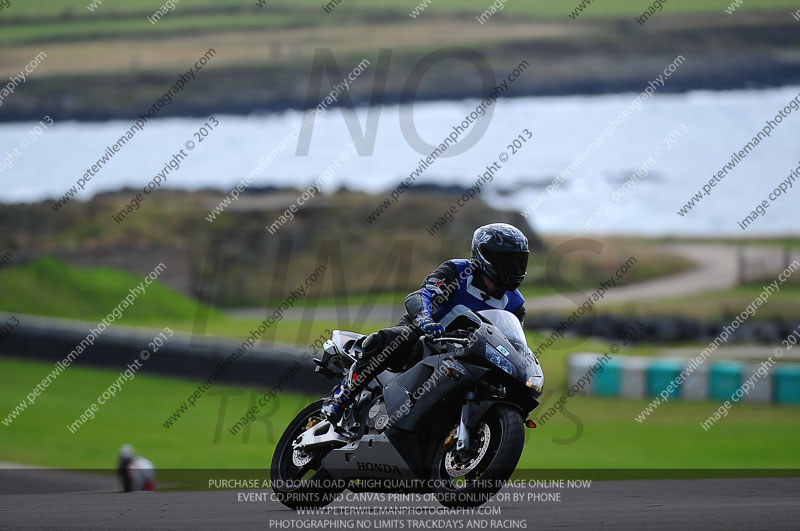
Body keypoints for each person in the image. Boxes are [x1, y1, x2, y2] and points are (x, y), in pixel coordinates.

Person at [321, 222, 530, 422]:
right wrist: (424, 319)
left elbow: (512, 340)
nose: (514, 267)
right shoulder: (457, 271)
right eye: (507, 260)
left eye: (519, 261)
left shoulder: (515, 303)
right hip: (425, 337)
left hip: (468, 354)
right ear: (485, 255)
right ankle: (342, 397)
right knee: (394, 339)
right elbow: (420, 295)